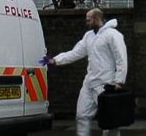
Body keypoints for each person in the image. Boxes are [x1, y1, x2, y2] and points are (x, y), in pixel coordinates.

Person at [47, 8, 128, 136]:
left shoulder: (113, 35)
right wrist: (55, 60)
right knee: (81, 115)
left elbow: (121, 57)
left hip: (106, 84)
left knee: (109, 121)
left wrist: (119, 80)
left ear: (96, 19)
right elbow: (76, 52)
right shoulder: (89, 36)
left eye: (88, 20)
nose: (86, 22)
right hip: (89, 83)